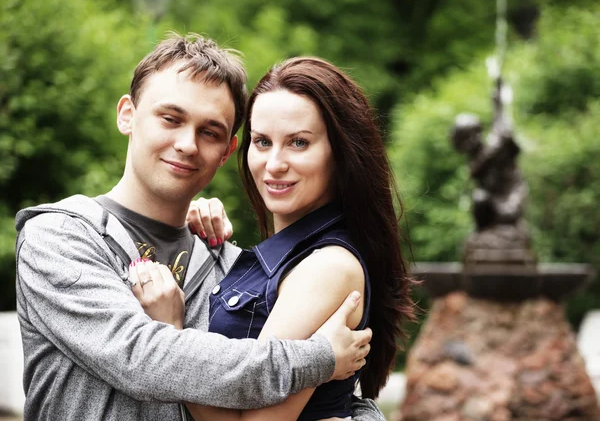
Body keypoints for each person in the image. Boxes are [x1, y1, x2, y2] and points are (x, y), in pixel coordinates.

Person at [14, 34, 383, 421]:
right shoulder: (58, 239)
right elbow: (140, 357)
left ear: (227, 150)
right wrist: (319, 358)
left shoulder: (230, 266)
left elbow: (290, 402)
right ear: (127, 114)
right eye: (170, 119)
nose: (188, 144)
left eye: (209, 132)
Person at [133, 56, 414, 420]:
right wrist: (201, 237)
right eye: (262, 142)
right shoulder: (286, 258)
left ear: (341, 153)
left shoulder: (326, 268)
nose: (275, 163)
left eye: (298, 143)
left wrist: (168, 330)